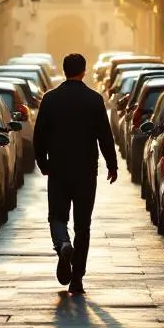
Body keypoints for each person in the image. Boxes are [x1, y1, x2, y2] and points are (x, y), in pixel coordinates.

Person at [32, 53, 118, 294]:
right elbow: (105, 135)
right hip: (86, 172)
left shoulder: (50, 99)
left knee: (57, 216)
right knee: (83, 225)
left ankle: (62, 244)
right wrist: (112, 164)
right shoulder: (94, 100)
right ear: (84, 71)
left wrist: (42, 161)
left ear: (64, 70)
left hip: (58, 169)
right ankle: (77, 278)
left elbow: (39, 135)